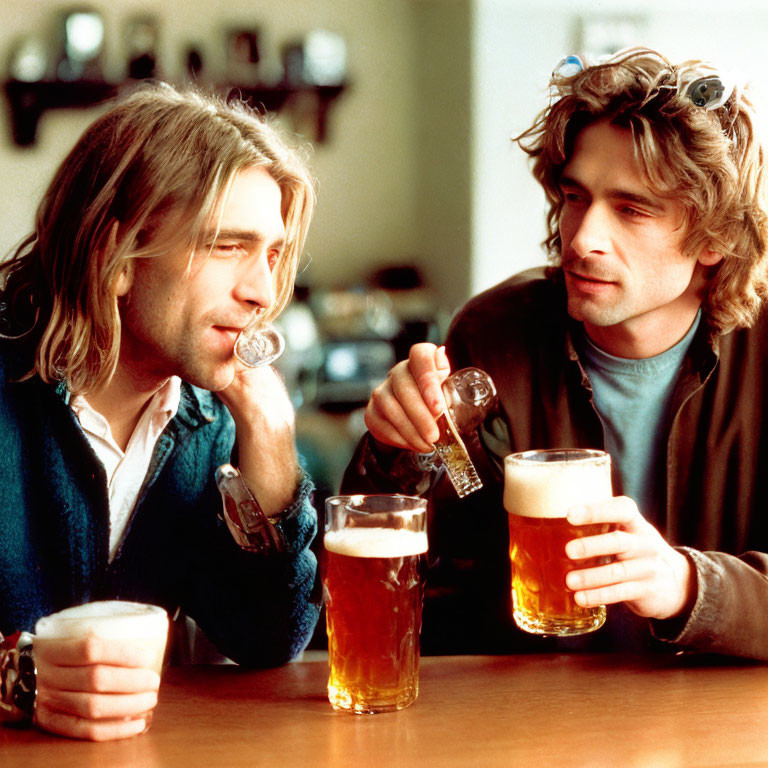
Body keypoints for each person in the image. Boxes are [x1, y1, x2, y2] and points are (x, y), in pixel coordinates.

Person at [342, 47, 768, 660]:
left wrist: (688, 585)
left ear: (714, 237)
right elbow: (421, 578)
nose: (585, 237)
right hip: (537, 717)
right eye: (575, 198)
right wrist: (395, 453)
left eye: (631, 209)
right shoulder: (494, 334)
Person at [0, 82, 320, 739]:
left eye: (273, 254)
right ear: (113, 255)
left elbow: (266, 641)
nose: (263, 292)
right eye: (229, 245)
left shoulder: (209, 424)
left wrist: (272, 455)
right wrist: (18, 677)